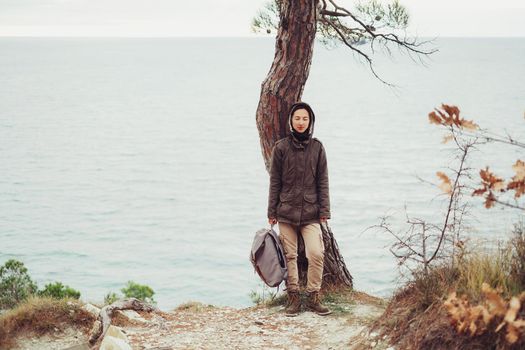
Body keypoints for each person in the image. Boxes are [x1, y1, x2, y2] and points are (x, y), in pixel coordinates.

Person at [267, 101, 332, 317]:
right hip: (285, 212)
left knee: (316, 253)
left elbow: (323, 181)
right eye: (297, 118)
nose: (301, 122)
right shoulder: (281, 148)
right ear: (291, 121)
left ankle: (314, 296)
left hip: (312, 214)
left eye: (305, 119)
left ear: (310, 121)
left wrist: (324, 211)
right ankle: (293, 297)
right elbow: (274, 181)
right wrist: (271, 211)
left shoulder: (317, 148)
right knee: (290, 255)